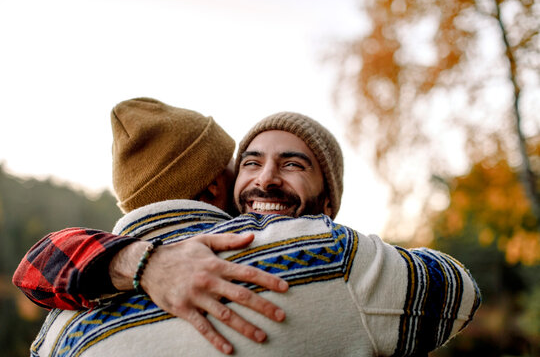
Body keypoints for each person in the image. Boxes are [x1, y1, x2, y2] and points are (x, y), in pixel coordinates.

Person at [15, 98, 481, 356]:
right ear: (222, 182)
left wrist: (133, 259)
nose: (265, 179)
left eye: (292, 163)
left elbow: (32, 270)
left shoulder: (61, 326)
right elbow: (458, 290)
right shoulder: (333, 258)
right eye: (250, 162)